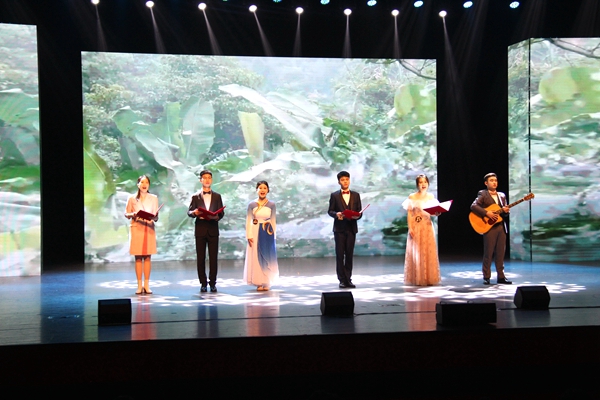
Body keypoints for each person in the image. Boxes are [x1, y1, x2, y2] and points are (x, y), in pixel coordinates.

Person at [470, 172, 512, 285]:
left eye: (495, 180)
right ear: (486, 183)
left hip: (501, 226)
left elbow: (504, 214)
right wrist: (486, 213)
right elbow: (474, 206)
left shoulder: (502, 195)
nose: (494, 182)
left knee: (500, 253)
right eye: (491, 180)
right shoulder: (483, 194)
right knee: (488, 252)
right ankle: (486, 276)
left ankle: (501, 276)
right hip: (489, 227)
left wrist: (506, 211)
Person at [188, 170, 224, 293]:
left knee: (213, 258)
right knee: (201, 258)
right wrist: (195, 213)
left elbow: (221, 213)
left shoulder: (217, 196)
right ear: (201, 180)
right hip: (200, 229)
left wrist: (216, 217)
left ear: (212, 180)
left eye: (209, 177)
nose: (207, 180)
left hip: (213, 229)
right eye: (205, 178)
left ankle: (213, 283)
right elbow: (189, 212)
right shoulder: (195, 196)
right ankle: (203, 283)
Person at [402, 174, 441, 286]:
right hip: (416, 226)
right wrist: (411, 228)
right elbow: (410, 214)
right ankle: (418, 278)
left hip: (427, 226)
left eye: (425, 182)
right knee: (416, 253)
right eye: (420, 182)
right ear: (417, 184)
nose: (423, 184)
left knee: (428, 252)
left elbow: (433, 213)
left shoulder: (431, 197)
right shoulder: (412, 197)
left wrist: (437, 213)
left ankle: (428, 278)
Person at [124, 175, 159, 294]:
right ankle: (139, 285)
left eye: (146, 183)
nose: (144, 185)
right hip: (137, 227)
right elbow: (126, 213)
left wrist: (154, 217)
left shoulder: (154, 198)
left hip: (148, 227)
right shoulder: (132, 198)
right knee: (138, 257)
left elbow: (156, 216)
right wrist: (133, 214)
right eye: (142, 182)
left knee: (148, 257)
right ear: (138, 184)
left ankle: (147, 285)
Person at [328, 171, 363, 289]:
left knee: (349, 255)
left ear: (349, 180)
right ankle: (342, 280)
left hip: (351, 229)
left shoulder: (356, 195)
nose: (345, 182)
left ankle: (348, 279)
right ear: (339, 182)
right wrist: (336, 214)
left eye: (347, 179)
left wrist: (357, 216)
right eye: (342, 180)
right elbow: (330, 211)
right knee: (340, 255)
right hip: (339, 229)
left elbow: (359, 212)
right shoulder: (334, 195)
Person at [243, 181, 279, 291]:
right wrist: (249, 235)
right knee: (255, 256)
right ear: (256, 190)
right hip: (255, 230)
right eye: (260, 188)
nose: (262, 190)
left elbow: (273, 220)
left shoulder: (271, 205)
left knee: (268, 255)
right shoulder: (251, 204)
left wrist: (274, 236)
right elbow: (248, 220)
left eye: (264, 188)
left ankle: (267, 281)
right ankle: (258, 281)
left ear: (268, 190)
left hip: (267, 231)